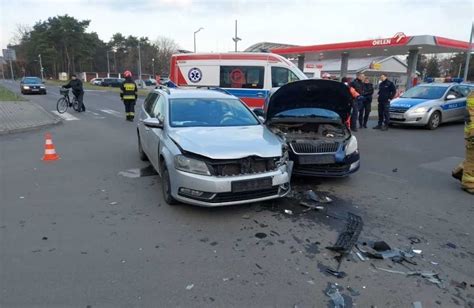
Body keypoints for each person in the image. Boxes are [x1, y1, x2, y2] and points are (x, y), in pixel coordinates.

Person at [452, 91, 474, 194]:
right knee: (472, 160)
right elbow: (471, 116)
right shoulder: (473, 96)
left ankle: (460, 170)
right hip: (472, 133)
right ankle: (469, 184)